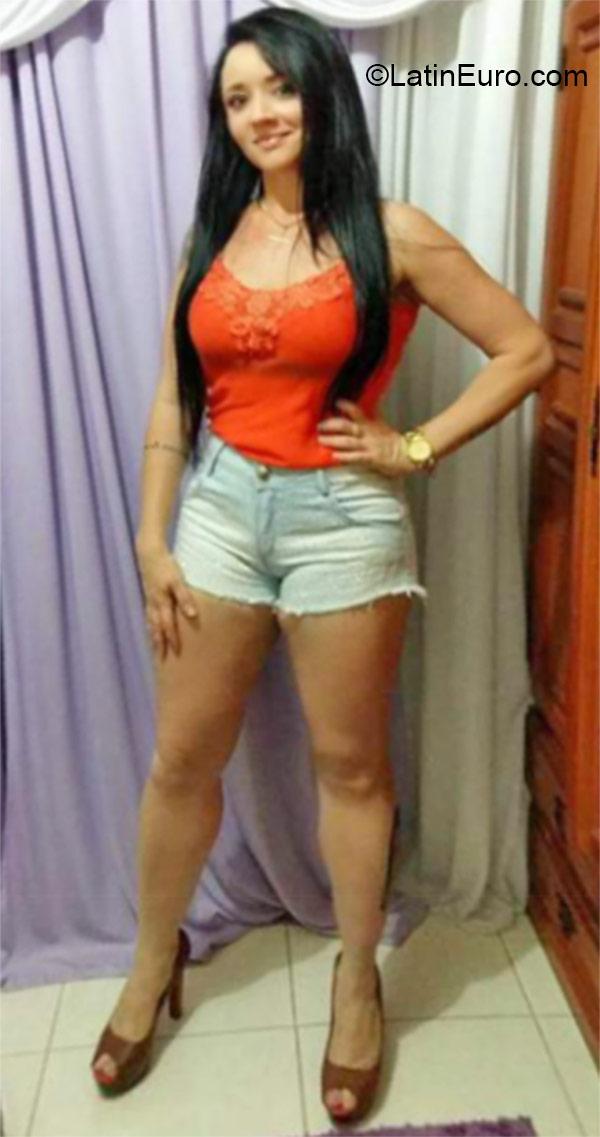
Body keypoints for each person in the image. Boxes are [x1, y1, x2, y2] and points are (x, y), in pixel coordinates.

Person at [90, 5, 555, 1124]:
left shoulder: (394, 233)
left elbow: (528, 348)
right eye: (237, 97)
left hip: (344, 523)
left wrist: (413, 447)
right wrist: (151, 537)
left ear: (322, 93)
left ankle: (357, 980)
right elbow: (174, 400)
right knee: (180, 762)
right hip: (216, 514)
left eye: (279, 87)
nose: (260, 112)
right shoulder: (214, 234)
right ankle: (153, 963)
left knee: (350, 770)